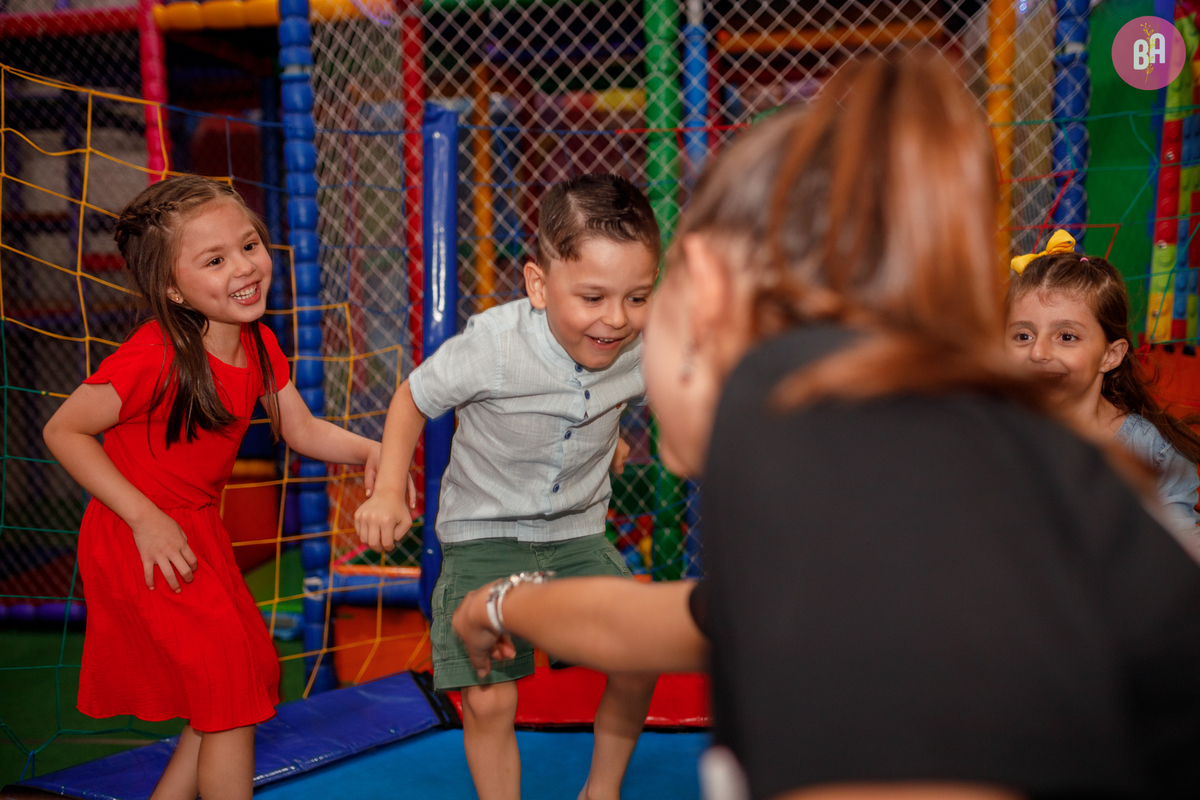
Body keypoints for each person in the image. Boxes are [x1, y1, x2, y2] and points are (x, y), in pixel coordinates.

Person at [452, 51, 1200, 799]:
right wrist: (501, 603)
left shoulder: (791, 413)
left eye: (652, 295)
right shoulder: (913, 442)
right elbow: (672, 620)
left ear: (707, 283)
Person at [43, 176, 383, 800]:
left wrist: (373, 450)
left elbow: (300, 429)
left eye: (249, 245)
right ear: (173, 288)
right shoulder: (157, 354)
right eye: (215, 260)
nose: (245, 268)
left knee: (240, 674)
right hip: (140, 532)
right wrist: (145, 518)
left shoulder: (258, 342)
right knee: (227, 690)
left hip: (197, 528)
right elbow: (64, 430)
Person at [354, 174, 660, 800]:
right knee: (490, 694)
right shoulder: (494, 347)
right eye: (595, 297)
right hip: (484, 533)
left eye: (637, 297)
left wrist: (608, 435)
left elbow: (628, 391)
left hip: (577, 530)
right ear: (539, 285)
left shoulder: (641, 344)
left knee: (638, 656)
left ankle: (601, 791)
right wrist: (389, 488)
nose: (616, 319)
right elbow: (413, 397)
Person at [1006, 230, 1200, 559]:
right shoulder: (991, 434)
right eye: (1023, 335)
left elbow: (1182, 555)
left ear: (1111, 355)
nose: (1038, 352)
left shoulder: (1149, 452)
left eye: (1066, 336)